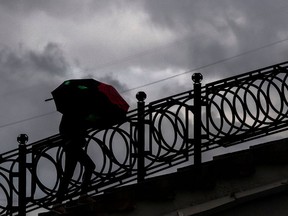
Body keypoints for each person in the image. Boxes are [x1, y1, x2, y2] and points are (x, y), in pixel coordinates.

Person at [53, 113, 96, 213]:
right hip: (73, 146)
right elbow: (69, 129)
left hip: (72, 145)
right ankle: (83, 195)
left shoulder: (73, 112)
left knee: (69, 174)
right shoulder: (71, 112)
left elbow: (79, 126)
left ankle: (58, 202)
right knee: (89, 166)